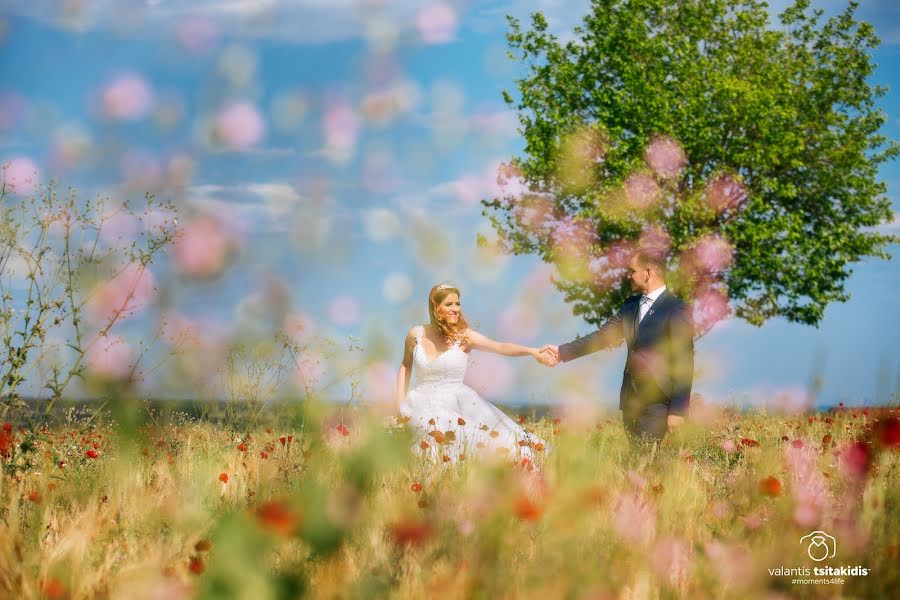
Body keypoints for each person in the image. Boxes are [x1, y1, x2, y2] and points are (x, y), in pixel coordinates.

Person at [540, 250, 694, 441]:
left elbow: (684, 362)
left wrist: (678, 410)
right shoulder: (630, 306)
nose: (628, 276)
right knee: (634, 463)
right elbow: (602, 337)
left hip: (659, 403)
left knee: (648, 461)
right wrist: (562, 352)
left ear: (648, 273)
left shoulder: (677, 309)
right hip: (630, 401)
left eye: (632, 271)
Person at [396, 283, 553, 463]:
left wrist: (532, 351)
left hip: (458, 403)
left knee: (500, 444)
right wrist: (400, 404)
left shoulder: (465, 336)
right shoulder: (416, 335)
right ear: (435, 306)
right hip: (419, 405)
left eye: (458, 304)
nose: (456, 309)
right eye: (449, 304)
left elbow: (499, 346)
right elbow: (405, 366)